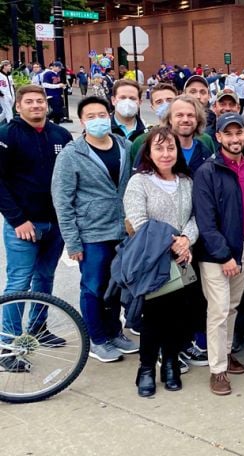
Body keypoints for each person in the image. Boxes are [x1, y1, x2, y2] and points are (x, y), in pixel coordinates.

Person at [52, 96, 138, 363]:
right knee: (93, 288)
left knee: (116, 286)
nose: (98, 120)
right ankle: (97, 339)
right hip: (91, 233)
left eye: (102, 114)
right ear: (82, 121)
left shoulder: (125, 146)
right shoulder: (71, 154)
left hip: (121, 230)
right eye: (91, 117)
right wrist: (73, 242)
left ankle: (114, 332)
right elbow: (62, 200)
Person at [0, 85, 73, 370]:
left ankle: (39, 327)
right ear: (18, 106)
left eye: (40, 101)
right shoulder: (7, 135)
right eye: (28, 101)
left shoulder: (61, 135)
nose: (35, 106)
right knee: (19, 283)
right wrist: (18, 220)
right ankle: (8, 344)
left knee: (45, 278)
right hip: (23, 226)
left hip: (55, 223)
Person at [123, 126, 198, 397]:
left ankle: (170, 364)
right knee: (153, 319)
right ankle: (145, 369)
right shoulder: (139, 182)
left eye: (170, 148)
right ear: (148, 152)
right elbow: (138, 221)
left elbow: (194, 218)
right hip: (152, 262)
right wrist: (171, 243)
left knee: (178, 318)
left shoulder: (186, 181)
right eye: (159, 148)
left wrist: (186, 240)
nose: (165, 154)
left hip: (182, 261)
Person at [192, 113, 244, 395]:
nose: (235, 139)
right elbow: (205, 222)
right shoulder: (207, 172)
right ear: (218, 137)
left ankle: (227, 352)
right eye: (228, 134)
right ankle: (217, 369)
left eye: (239, 133)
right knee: (218, 310)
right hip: (217, 253)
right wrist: (224, 255)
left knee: (232, 306)